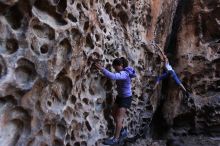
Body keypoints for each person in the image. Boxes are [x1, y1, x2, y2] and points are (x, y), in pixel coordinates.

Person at [95, 57, 136, 145]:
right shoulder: (121, 72)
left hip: (126, 98)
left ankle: (116, 139)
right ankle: (122, 130)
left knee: (118, 118)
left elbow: (113, 76)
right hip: (120, 97)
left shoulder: (124, 73)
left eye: (115, 67)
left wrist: (102, 69)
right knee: (113, 114)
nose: (115, 69)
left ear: (121, 65)